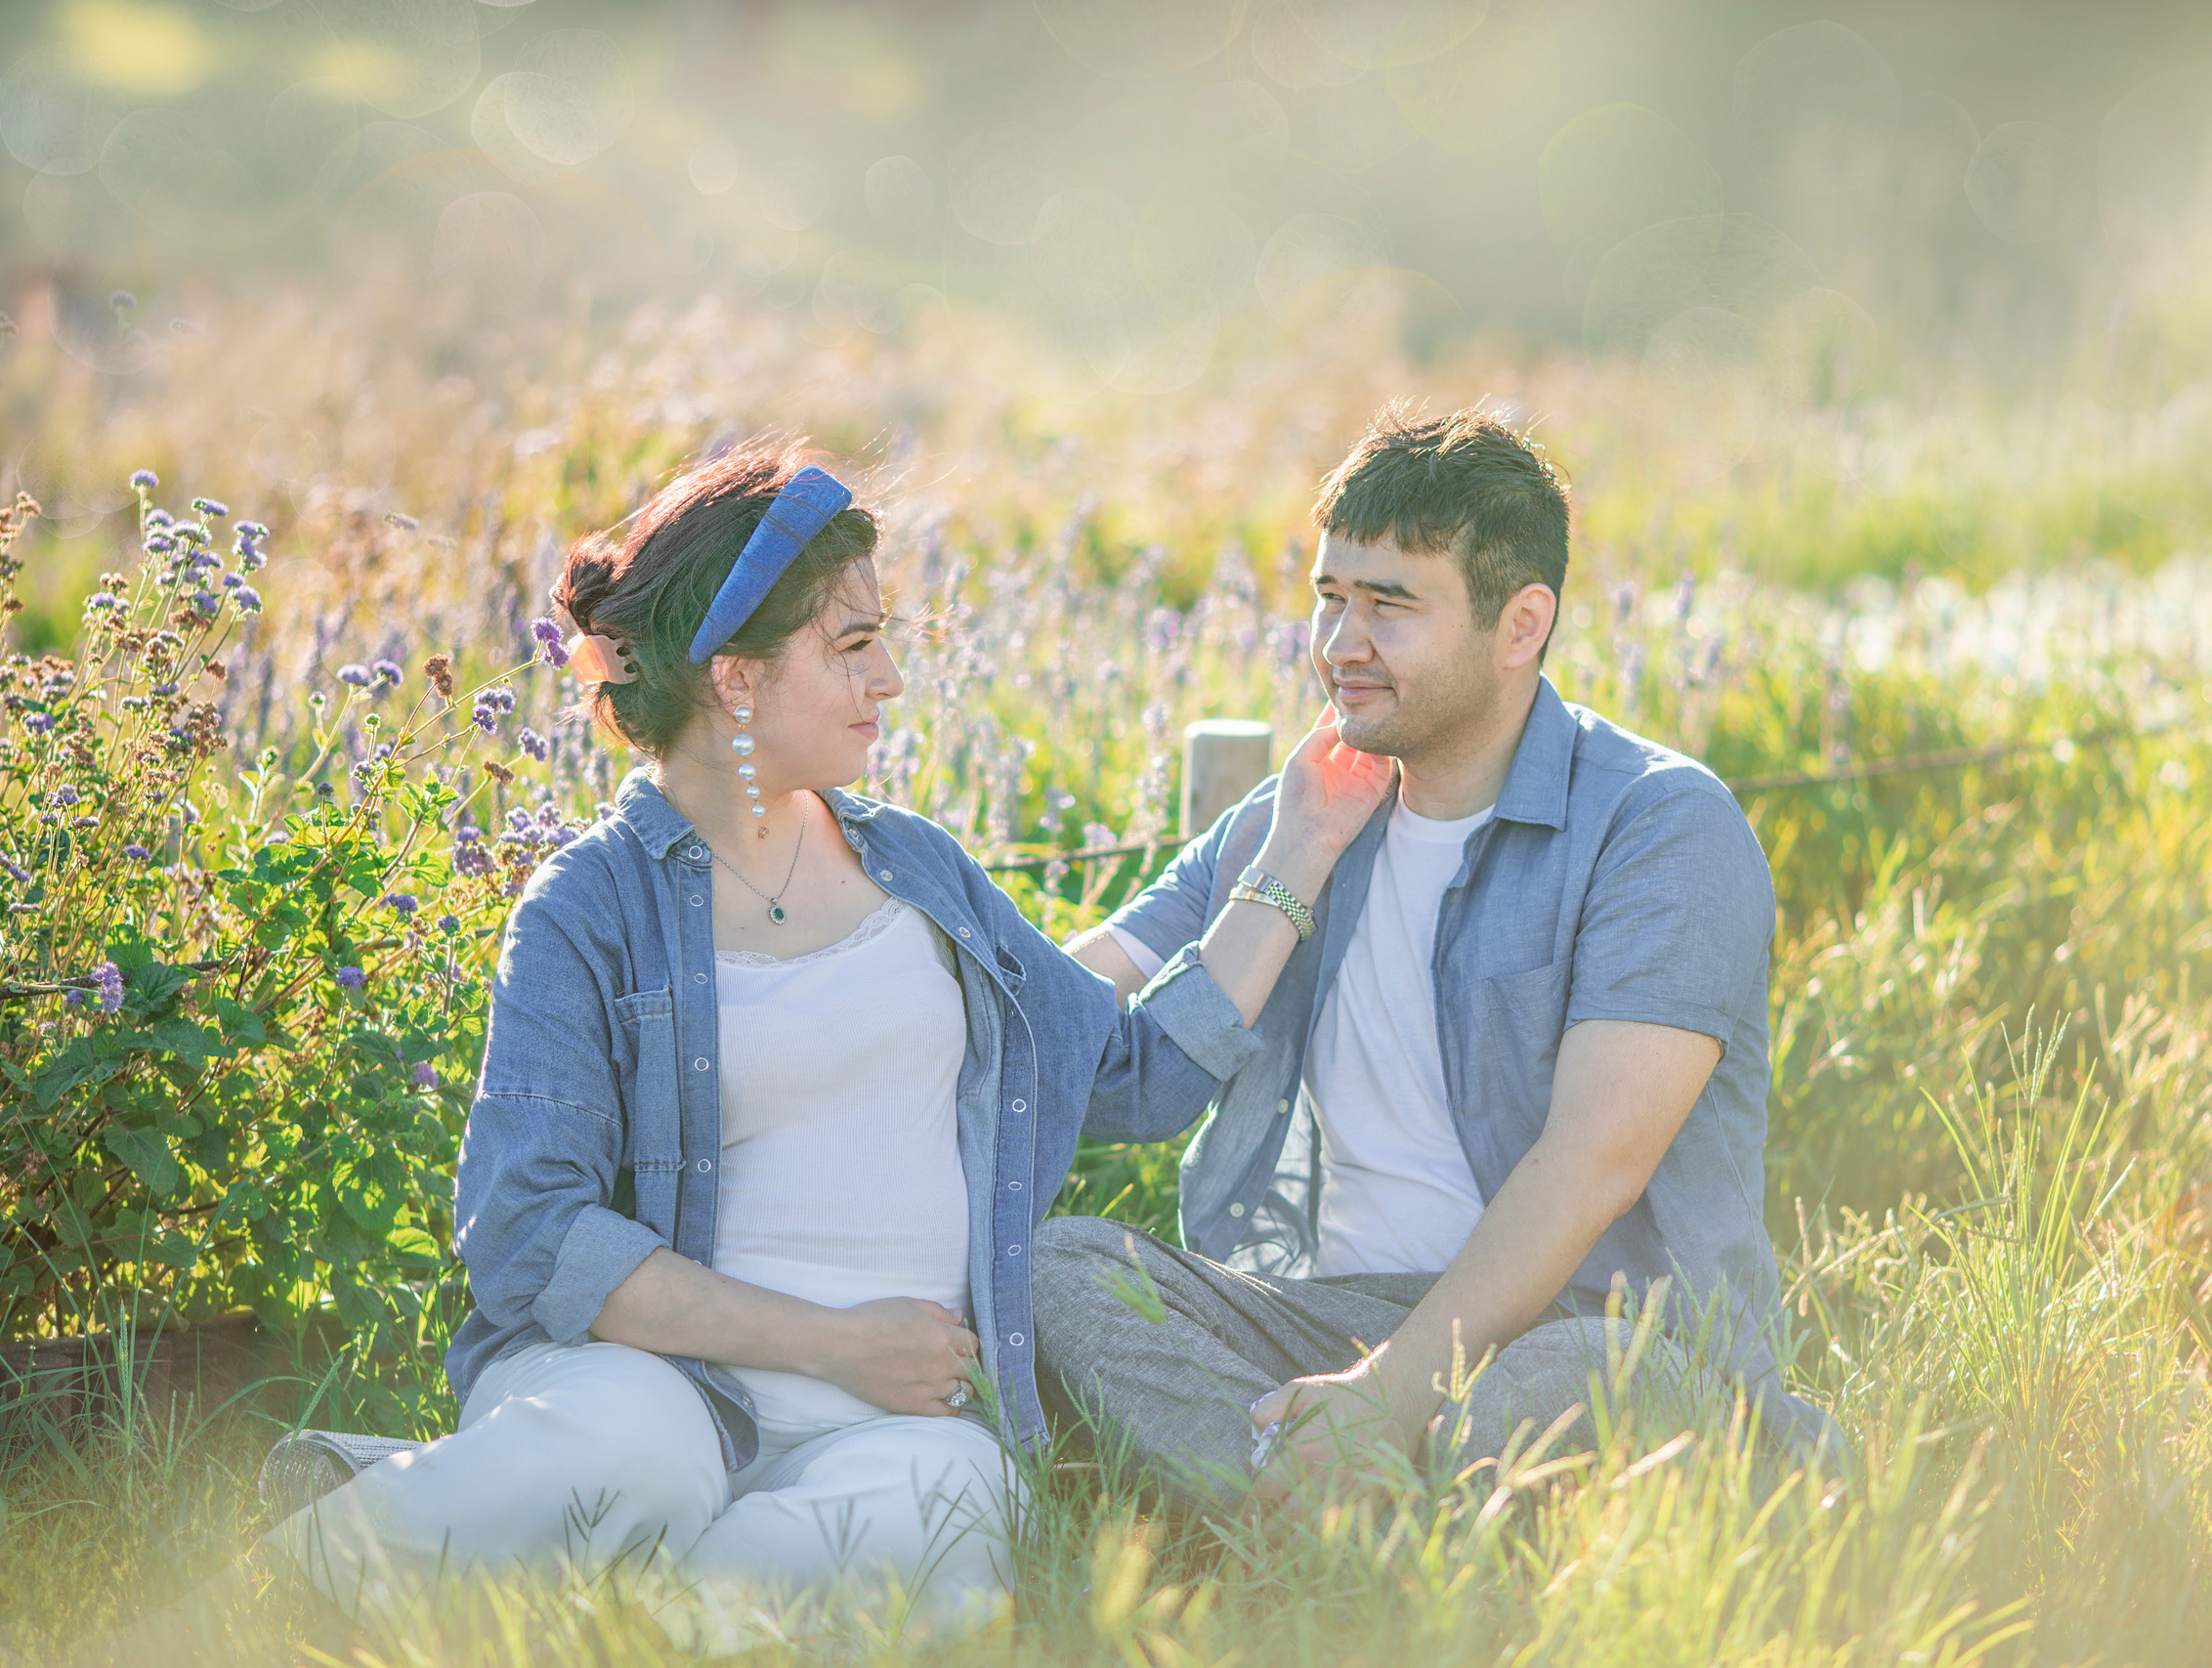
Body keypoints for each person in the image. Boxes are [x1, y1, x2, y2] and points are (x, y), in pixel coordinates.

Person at [257, 444, 1390, 1640]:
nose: (890, 678)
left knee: (941, 1517)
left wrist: (1297, 848)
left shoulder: (920, 869)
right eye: (852, 644)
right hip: (654, 1387)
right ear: (737, 676)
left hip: (900, 1424)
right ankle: (263, 1606)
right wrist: (830, 1344)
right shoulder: (588, 907)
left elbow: (1131, 1075)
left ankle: (611, 1618)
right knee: (638, 1459)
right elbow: (532, 1234)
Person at [1036, 405, 1840, 1508]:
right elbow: (1064, 1007)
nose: (1338, 646)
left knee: (1561, 1387)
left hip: (1582, 1323)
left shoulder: (1658, 827)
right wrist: (1295, 856)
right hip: (1327, 1313)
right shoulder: (1301, 812)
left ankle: (1304, 1510)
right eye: (1328, 598)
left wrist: (1388, 1391)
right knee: (1062, 1272)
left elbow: (1593, 1165)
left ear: (1519, 625)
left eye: (1388, 606)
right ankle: (1346, 1517)